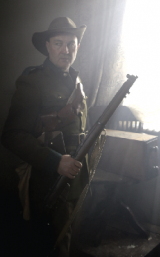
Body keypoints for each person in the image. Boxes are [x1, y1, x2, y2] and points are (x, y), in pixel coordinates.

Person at [1, 17, 89, 256]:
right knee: (48, 245)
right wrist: (55, 161)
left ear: (77, 47)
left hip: (75, 175)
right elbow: (12, 135)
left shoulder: (77, 80)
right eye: (58, 43)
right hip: (46, 178)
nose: (65, 50)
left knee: (67, 238)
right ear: (48, 46)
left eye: (71, 44)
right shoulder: (32, 81)